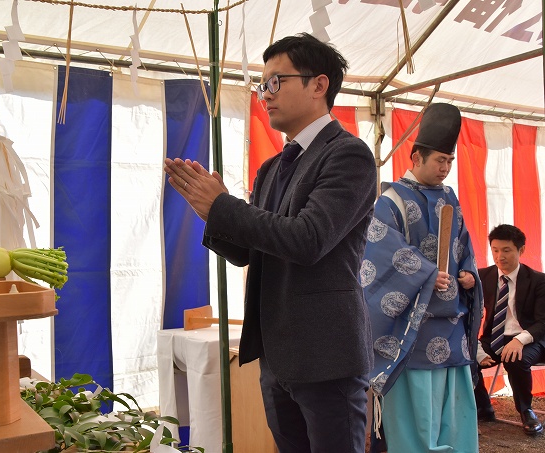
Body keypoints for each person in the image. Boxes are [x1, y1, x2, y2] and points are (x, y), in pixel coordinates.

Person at [163, 33, 377, 453]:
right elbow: (250, 253)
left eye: (276, 82)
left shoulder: (348, 155)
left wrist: (225, 208)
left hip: (326, 355)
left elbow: (307, 239)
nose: (266, 95)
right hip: (276, 355)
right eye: (263, 85)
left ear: (319, 85)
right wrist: (212, 212)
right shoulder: (273, 167)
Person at [361, 103, 483, 452]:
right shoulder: (391, 200)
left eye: (450, 161)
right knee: (415, 422)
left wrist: (467, 275)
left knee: (454, 413)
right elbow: (381, 255)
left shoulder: (451, 198)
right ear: (416, 156)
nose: (445, 168)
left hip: (451, 324)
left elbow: (464, 247)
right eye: (439, 160)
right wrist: (429, 276)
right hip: (411, 331)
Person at [474, 224, 545, 435]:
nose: (499, 256)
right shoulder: (481, 277)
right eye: (495, 250)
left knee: (516, 357)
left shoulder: (539, 280)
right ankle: (483, 408)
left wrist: (520, 340)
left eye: (506, 250)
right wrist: (476, 348)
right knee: (465, 355)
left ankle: (526, 411)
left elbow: (543, 322)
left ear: (520, 250)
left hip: (531, 338)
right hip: (495, 337)